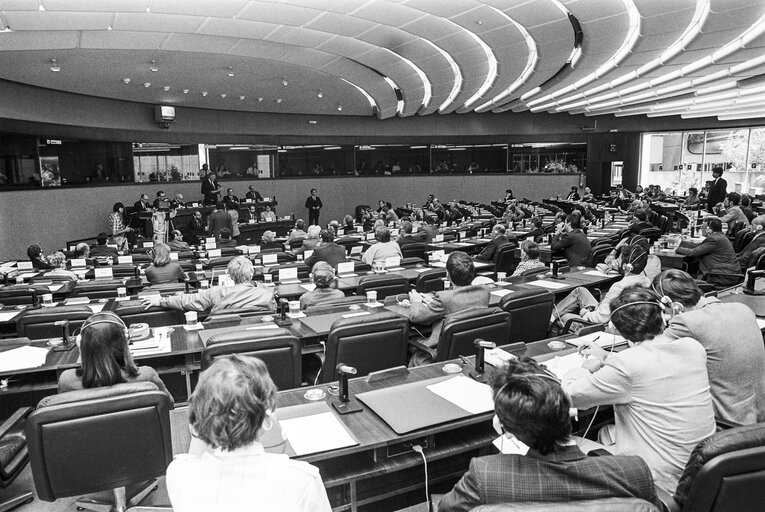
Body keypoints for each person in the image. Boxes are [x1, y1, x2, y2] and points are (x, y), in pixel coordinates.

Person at [439, 358, 659, 512]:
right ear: (569, 412)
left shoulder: (485, 475)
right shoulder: (634, 471)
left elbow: (445, 509)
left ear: (503, 427)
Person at [563, 285, 716, 494]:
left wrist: (582, 369)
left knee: (566, 443)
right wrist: (606, 358)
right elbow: (651, 366)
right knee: (606, 433)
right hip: (700, 472)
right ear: (663, 315)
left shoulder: (627, 366)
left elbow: (570, 396)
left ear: (620, 329)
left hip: (657, 482)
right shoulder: (692, 347)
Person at [165, 355, 331, 512]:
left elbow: (193, 454)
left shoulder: (178, 474)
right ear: (267, 418)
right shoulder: (304, 480)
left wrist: (203, 423)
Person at [653, 269, 765, 424]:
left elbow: (649, 351)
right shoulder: (743, 308)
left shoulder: (687, 321)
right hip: (758, 415)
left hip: (726, 422)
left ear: (676, 307)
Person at [58, 312, 172, 402]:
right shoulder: (146, 375)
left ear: (81, 344)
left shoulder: (66, 380)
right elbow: (168, 404)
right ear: (125, 341)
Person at [408, 251, 490, 365]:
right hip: (471, 349)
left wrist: (416, 301)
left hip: (440, 354)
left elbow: (416, 316)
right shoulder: (484, 292)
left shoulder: (444, 299)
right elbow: (461, 303)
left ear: (447, 274)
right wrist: (434, 302)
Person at [552, 240, 651, 329]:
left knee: (561, 318)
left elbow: (601, 318)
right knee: (580, 290)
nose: (617, 262)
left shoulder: (619, 287)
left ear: (626, 266)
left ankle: (550, 321)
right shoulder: (647, 281)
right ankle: (552, 316)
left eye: (619, 260)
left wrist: (586, 313)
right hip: (605, 313)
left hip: (600, 326)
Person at [142, 256, 275, 314]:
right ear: (251, 274)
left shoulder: (216, 292)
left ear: (230, 276)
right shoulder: (267, 293)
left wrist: (160, 300)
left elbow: (188, 301)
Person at [675, 218, 740, 286]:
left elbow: (693, 252)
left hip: (721, 275)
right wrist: (681, 243)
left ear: (710, 229)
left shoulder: (714, 239)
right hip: (727, 271)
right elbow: (700, 246)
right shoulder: (720, 236)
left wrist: (677, 248)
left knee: (687, 272)